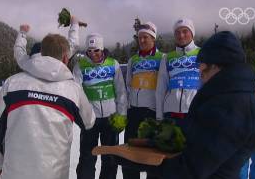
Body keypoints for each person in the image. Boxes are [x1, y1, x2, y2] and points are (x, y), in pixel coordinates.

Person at [117, 31, 255, 179]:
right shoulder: (237, 98)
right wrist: (164, 142)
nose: (199, 70)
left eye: (202, 64)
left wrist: (136, 161)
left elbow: (191, 169)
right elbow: (205, 143)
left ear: (216, 65)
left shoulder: (229, 107)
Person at [0, 23, 96, 179]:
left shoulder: (13, 84)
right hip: (54, 174)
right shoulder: (73, 90)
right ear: (65, 57)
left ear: (41, 53)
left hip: (14, 173)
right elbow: (89, 121)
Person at [73, 33, 127, 179]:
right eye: (89, 51)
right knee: (87, 156)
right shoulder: (80, 66)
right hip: (90, 119)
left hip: (110, 118)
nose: (93, 54)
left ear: (102, 49)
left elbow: (121, 91)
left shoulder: (113, 64)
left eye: (96, 50)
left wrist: (121, 114)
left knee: (110, 157)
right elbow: (75, 91)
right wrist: (81, 115)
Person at [124, 21, 165, 179]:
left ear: (153, 38)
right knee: (131, 154)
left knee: (151, 157)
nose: (141, 40)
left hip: (151, 114)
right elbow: (128, 85)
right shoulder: (133, 60)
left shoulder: (162, 58)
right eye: (139, 37)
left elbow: (163, 87)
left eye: (145, 37)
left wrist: (160, 115)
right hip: (134, 112)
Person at [156, 18, 200, 133]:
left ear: (192, 33)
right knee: (170, 149)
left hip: (195, 113)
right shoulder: (167, 58)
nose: (181, 35)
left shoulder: (202, 54)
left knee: (194, 149)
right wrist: (159, 116)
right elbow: (161, 88)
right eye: (177, 32)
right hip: (171, 114)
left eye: (185, 31)